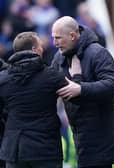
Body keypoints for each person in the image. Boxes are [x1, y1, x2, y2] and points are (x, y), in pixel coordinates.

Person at [51, 16, 114, 168]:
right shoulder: (58, 57)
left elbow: (113, 85)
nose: (54, 43)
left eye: (58, 38)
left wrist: (80, 89)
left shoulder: (98, 53)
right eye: (53, 38)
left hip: (102, 137)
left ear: (72, 36)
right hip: (80, 137)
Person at [0, 31, 69, 168]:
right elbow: (75, 95)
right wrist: (77, 75)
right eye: (40, 46)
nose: (42, 48)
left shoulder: (3, 79)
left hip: (15, 150)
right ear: (35, 49)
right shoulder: (52, 76)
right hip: (46, 150)